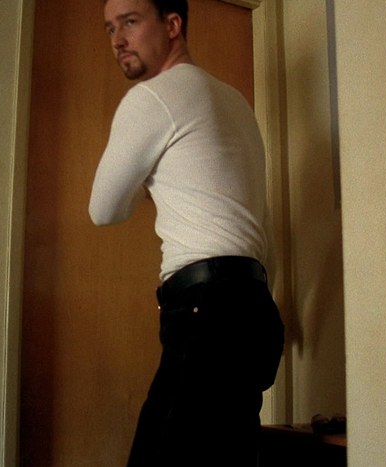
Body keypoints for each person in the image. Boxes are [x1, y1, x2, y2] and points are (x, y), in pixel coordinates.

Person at [89, 0, 285, 465]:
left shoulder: (152, 98)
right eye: (110, 28)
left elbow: (104, 209)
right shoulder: (235, 103)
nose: (118, 40)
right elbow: (254, 216)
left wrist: (148, 182)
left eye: (131, 22)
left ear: (173, 24)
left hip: (207, 314)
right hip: (255, 310)